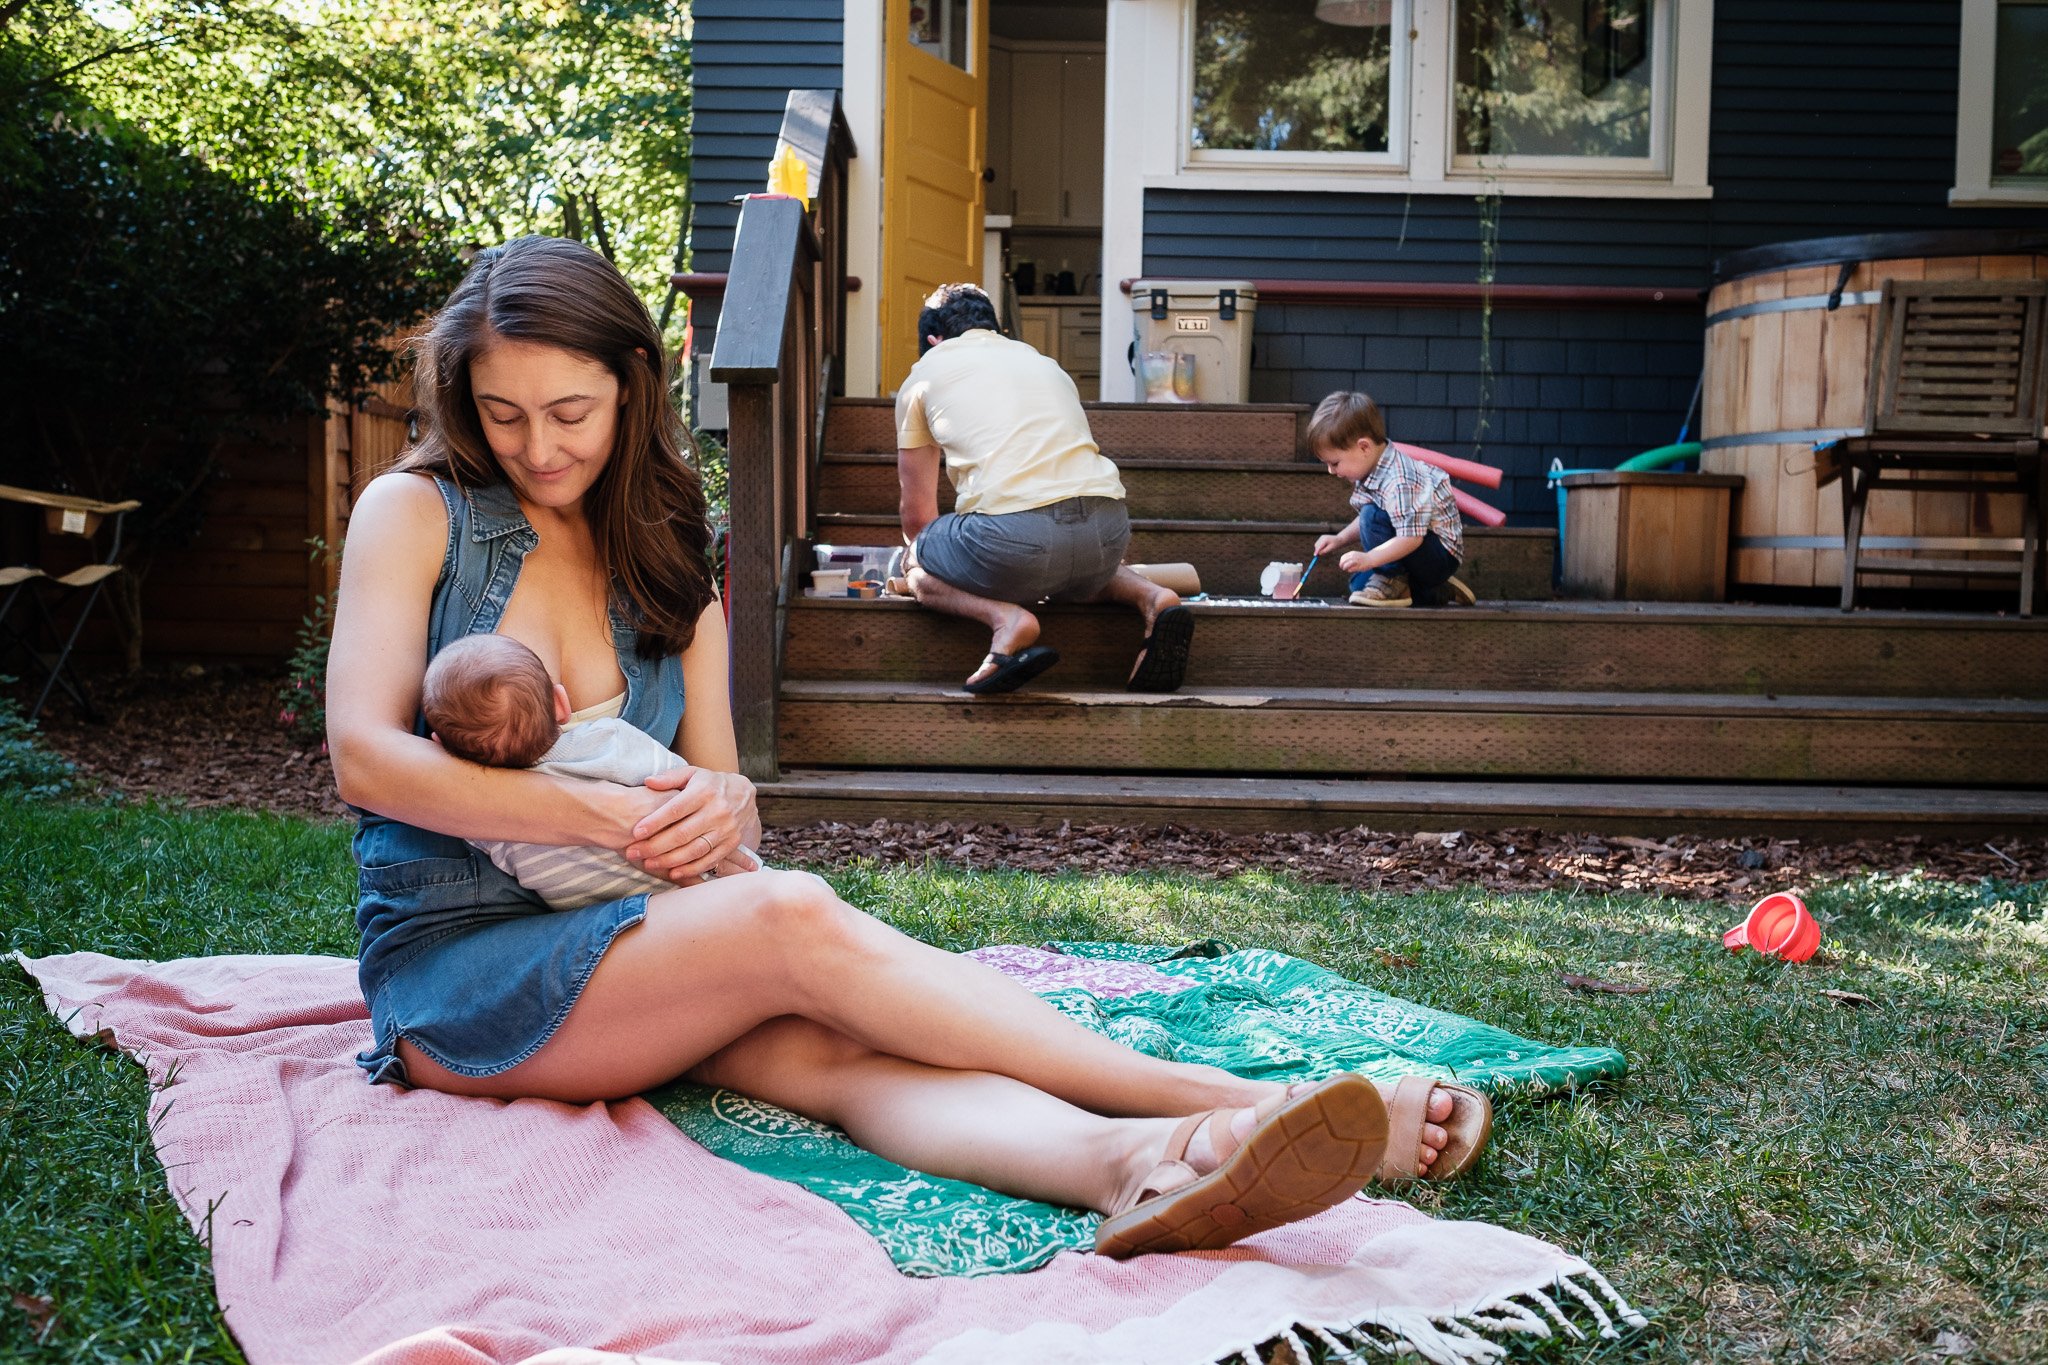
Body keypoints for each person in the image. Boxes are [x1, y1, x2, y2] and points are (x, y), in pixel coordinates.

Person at [327, 235, 1486, 1260]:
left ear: (632, 388)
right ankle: (1255, 1097)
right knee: (788, 918)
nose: (536, 447)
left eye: (568, 411)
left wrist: (722, 816)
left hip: (643, 949)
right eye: (501, 413)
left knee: (844, 1053)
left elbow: (733, 792)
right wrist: (606, 820)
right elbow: (366, 762)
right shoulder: (416, 514)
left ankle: (1139, 1165)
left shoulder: (666, 546)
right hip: (463, 970)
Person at [895, 282, 1193, 695]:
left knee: (920, 559)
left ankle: (1007, 621)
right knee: (1066, 559)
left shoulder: (924, 375)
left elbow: (917, 514)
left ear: (933, 340)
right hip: (1107, 531)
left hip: (1016, 544)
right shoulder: (1042, 361)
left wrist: (921, 565)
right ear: (995, 329)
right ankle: (1153, 597)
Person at [419, 631, 759, 911]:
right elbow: (682, 780)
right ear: (561, 704)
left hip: (615, 922)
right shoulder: (608, 739)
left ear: (441, 745)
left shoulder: (488, 830)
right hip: (707, 884)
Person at [1308, 391, 1476, 609]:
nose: (1331, 470)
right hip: (1417, 550)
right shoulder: (1370, 469)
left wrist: (1369, 559)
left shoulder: (1400, 480)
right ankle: (1433, 589)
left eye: (1335, 463)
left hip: (1438, 554)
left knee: (1372, 516)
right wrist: (1339, 539)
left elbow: (1410, 538)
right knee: (1358, 586)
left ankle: (1398, 579)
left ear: (1364, 447)